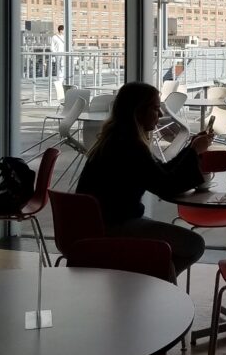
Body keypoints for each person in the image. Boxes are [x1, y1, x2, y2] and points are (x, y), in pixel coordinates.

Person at [76, 81, 213, 279]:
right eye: (156, 108)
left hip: (97, 223)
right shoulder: (129, 147)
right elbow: (168, 186)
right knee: (194, 244)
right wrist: (194, 152)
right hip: (114, 227)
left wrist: (191, 149)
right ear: (138, 111)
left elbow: (161, 174)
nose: (160, 115)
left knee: (172, 253)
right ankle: (154, 281)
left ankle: (149, 279)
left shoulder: (117, 140)